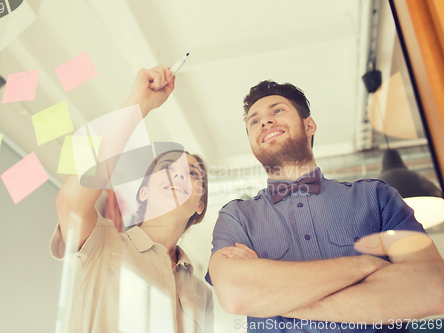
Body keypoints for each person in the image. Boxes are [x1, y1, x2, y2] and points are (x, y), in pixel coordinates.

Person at [206, 80, 444, 332]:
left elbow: (431, 287)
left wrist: (269, 300)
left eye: (277, 111)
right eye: (254, 121)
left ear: (309, 125)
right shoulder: (236, 217)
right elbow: (235, 295)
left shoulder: (376, 196)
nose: (264, 122)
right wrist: (365, 266)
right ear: (253, 146)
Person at [51, 65, 214, 333]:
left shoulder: (202, 294)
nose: (180, 175)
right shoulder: (101, 243)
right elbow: (70, 204)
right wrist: (138, 105)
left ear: (200, 205)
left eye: (192, 174)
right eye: (167, 168)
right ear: (144, 191)